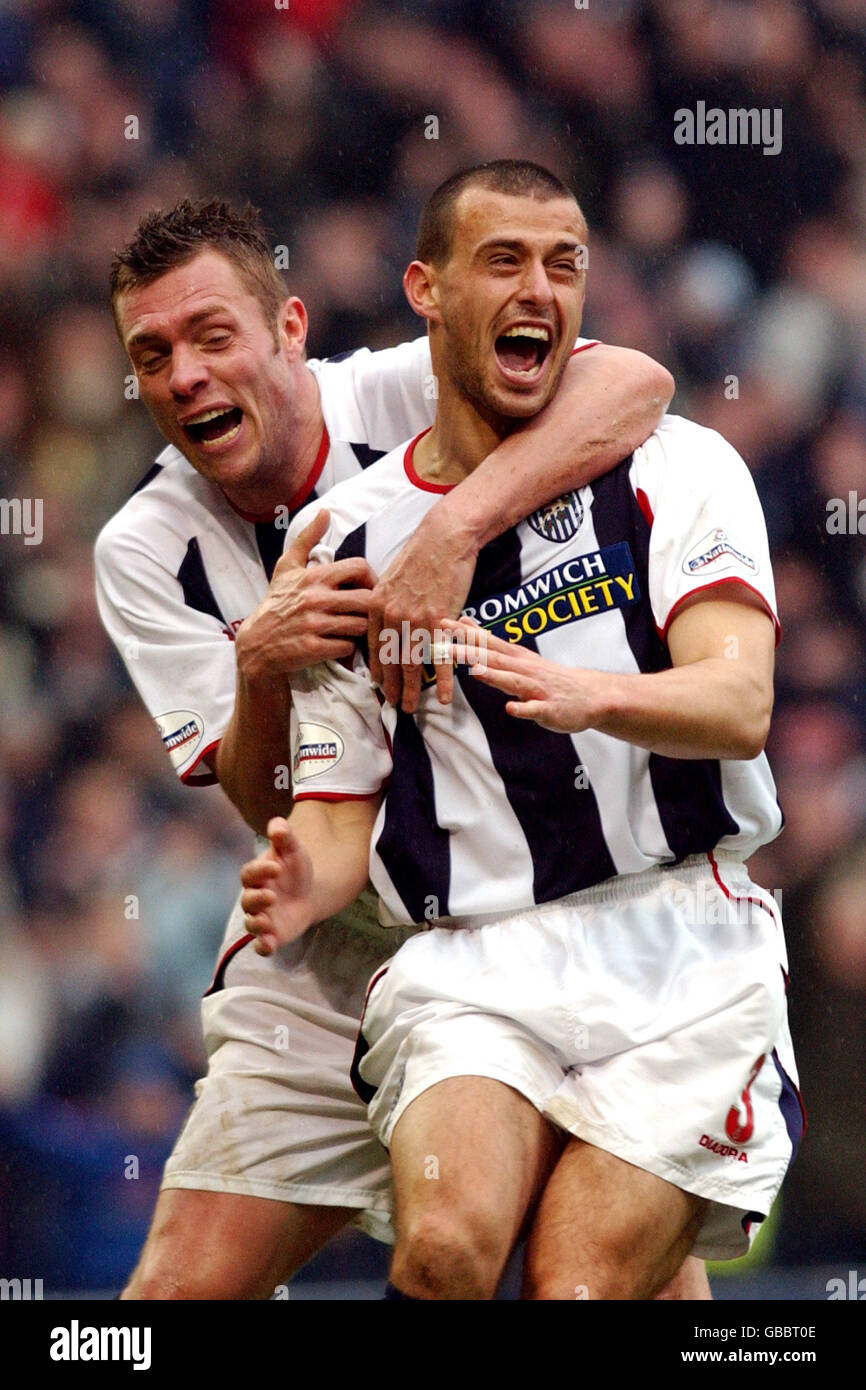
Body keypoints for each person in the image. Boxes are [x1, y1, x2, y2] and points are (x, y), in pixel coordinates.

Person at [94, 196, 678, 1299]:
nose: (184, 375)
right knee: (171, 1296)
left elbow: (634, 383)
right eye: (153, 354)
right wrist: (260, 665)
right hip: (334, 945)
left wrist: (449, 532)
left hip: (524, 920)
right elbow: (265, 800)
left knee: (593, 1278)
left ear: (288, 328)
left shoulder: (406, 385)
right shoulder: (141, 551)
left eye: (213, 336)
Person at [241, 160, 803, 1300]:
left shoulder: (678, 463)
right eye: (503, 260)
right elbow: (340, 804)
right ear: (425, 289)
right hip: (471, 960)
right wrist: (306, 876)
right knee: (446, 1249)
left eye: (565, 264)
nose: (539, 288)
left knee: (582, 1285)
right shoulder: (343, 534)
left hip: (679, 941)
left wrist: (592, 696)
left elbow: (737, 707)